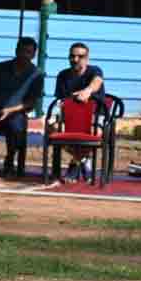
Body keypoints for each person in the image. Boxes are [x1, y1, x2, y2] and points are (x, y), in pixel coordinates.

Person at [0, 37, 44, 177]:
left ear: (34, 55)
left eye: (28, 52)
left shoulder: (37, 74)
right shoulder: (1, 67)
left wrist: (9, 110)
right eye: (22, 51)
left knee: (16, 126)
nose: (24, 55)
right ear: (16, 51)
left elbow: (31, 102)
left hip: (15, 113)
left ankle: (9, 162)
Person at [53, 41, 105, 182]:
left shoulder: (95, 71)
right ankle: (83, 160)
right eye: (72, 56)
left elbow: (97, 82)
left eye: (80, 56)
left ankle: (74, 163)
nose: (75, 59)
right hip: (70, 117)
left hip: (94, 117)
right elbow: (61, 101)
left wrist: (87, 91)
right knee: (53, 129)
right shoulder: (62, 75)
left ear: (87, 58)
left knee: (96, 132)